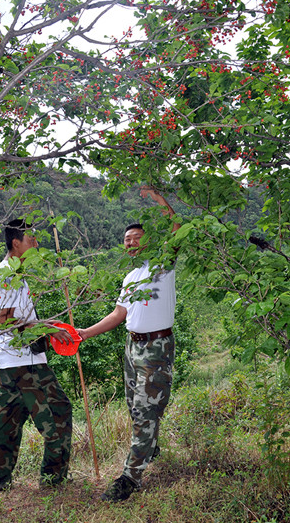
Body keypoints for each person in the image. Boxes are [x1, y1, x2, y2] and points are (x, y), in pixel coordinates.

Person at [77, 188, 180, 502]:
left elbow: (177, 229)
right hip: (132, 347)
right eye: (127, 239)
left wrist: (158, 198)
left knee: (146, 411)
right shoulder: (131, 277)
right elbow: (118, 314)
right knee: (136, 407)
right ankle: (150, 447)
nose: (130, 242)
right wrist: (84, 333)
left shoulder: (162, 265)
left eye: (136, 237)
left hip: (156, 347)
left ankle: (129, 478)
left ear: (148, 241)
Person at [0, 218, 73, 492]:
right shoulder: (8, 273)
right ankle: (52, 481)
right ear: (16, 243)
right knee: (58, 412)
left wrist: (46, 326)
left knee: (7, 421)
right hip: (25, 362)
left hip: (8, 360)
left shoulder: (15, 272)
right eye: (30, 238)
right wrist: (48, 329)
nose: (36, 242)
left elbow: (17, 318)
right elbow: (5, 321)